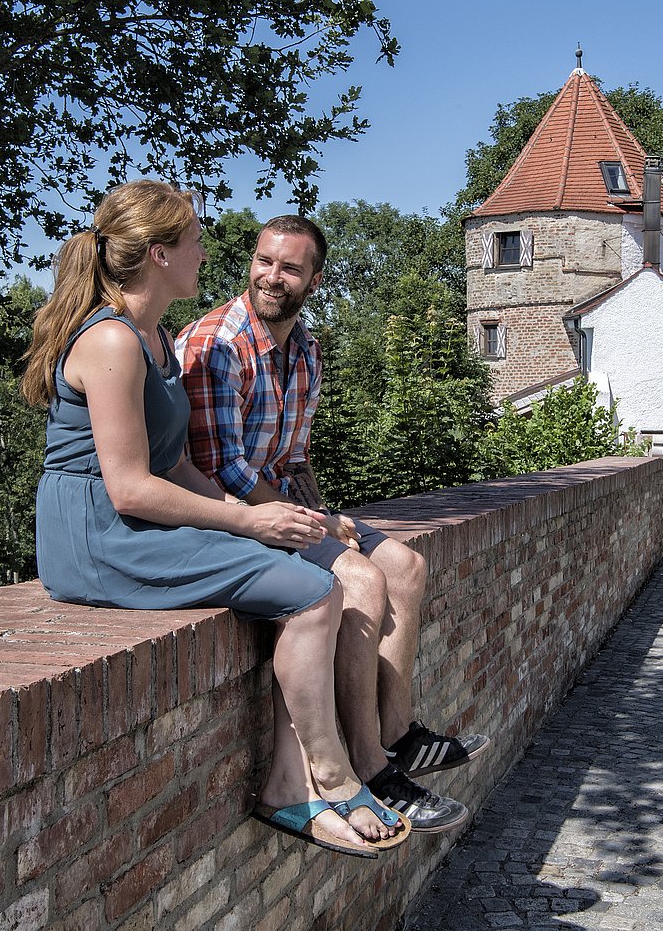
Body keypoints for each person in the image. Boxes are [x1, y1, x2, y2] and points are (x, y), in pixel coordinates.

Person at [22, 181, 405, 858]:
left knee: (305, 579)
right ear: (161, 254)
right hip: (98, 538)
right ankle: (332, 776)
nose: (208, 251)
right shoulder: (111, 341)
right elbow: (131, 488)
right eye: (196, 240)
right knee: (315, 593)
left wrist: (260, 514)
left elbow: (172, 468)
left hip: (134, 523)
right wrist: (249, 525)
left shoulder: (155, 336)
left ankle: (292, 784)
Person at [177, 214, 489, 832]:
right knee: (361, 582)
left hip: (286, 506)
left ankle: (397, 735)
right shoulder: (217, 344)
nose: (272, 277)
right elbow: (222, 470)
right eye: (264, 262)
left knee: (402, 563)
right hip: (234, 520)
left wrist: (329, 517)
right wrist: (318, 533)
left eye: (289, 267)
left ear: (313, 279)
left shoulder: (306, 352)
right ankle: (371, 767)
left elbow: (293, 460)